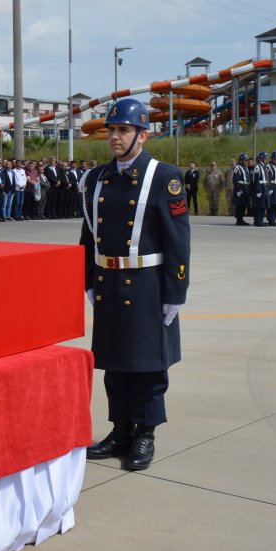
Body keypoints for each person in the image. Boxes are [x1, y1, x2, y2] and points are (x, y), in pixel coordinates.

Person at [79, 99, 190, 471]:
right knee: (115, 363)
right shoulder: (96, 178)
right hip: (108, 282)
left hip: (147, 285)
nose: (114, 137)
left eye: (122, 130)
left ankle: (145, 433)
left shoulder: (164, 177)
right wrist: (87, 279)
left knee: (147, 366)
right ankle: (120, 430)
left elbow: (178, 239)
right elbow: (88, 233)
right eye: (111, 130)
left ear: (143, 135)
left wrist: (175, 292)